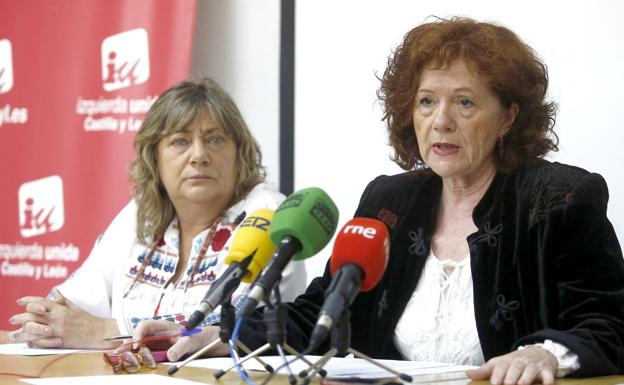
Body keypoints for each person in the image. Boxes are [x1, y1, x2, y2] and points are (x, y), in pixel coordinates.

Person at [134, 17, 624, 383]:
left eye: (466, 102)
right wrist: (225, 335)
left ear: (509, 116)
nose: (441, 121)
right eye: (427, 101)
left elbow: (609, 323)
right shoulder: (391, 201)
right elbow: (322, 314)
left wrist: (546, 354)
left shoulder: (558, 200)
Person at [7, 77, 306, 350]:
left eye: (215, 139)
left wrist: (104, 332)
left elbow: (237, 326)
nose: (199, 156)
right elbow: (69, 307)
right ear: (155, 157)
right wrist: (47, 323)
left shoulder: (267, 214)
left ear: (239, 154)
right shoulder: (142, 213)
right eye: (180, 141)